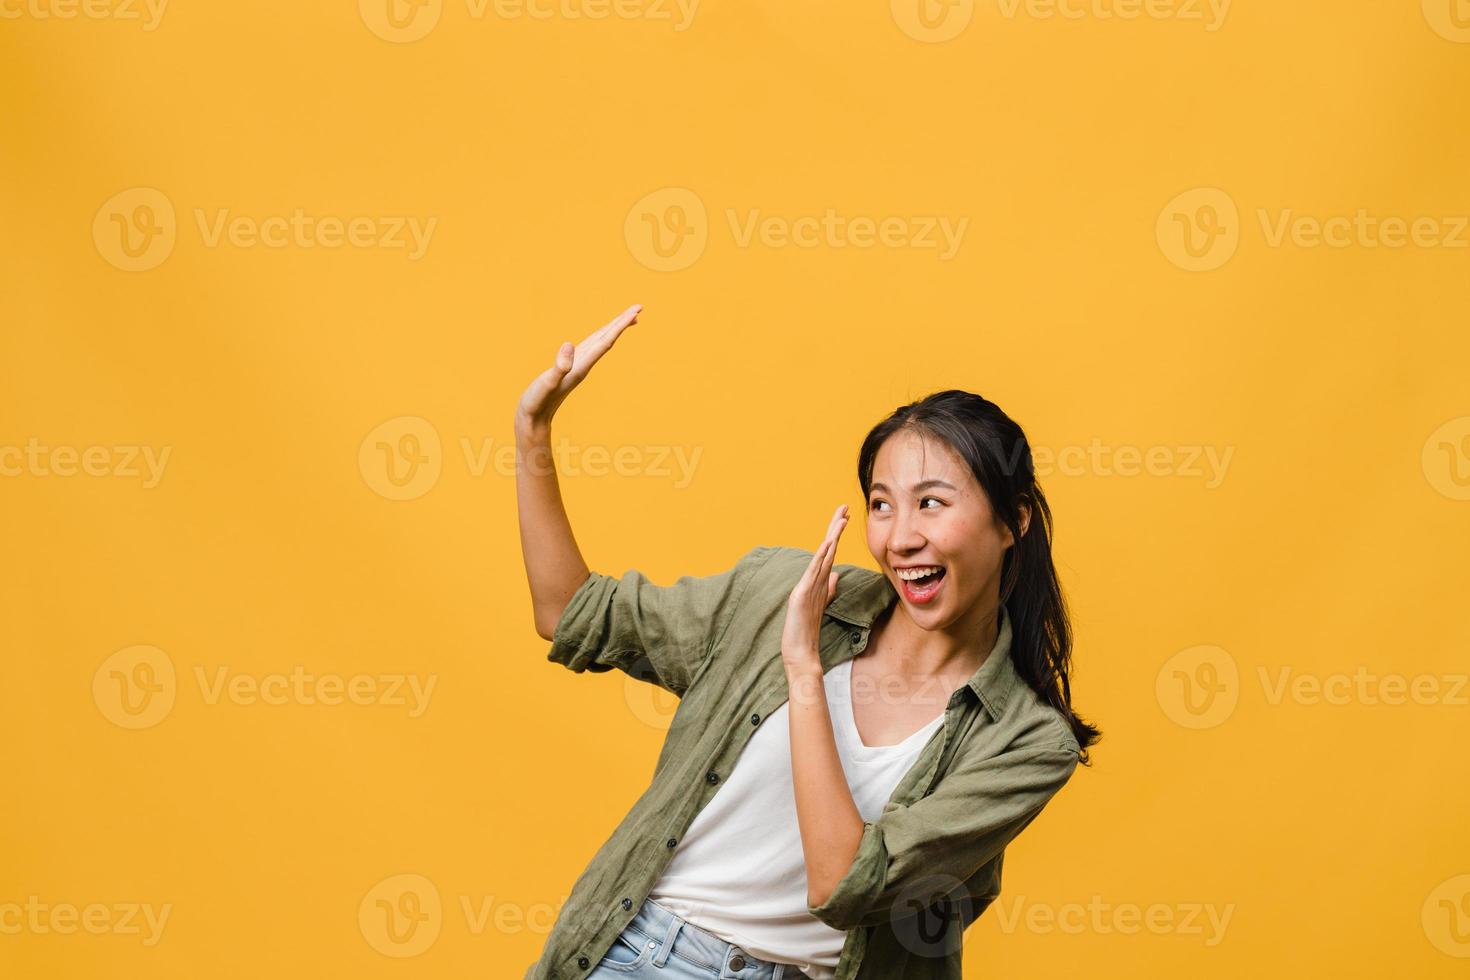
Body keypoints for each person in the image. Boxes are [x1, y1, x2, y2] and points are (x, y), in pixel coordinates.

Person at [517, 305, 1100, 980]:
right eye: (881, 504)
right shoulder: (782, 596)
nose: (900, 536)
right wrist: (533, 431)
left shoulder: (1026, 742)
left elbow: (842, 885)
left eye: (931, 503)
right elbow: (571, 614)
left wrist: (803, 673)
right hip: (645, 958)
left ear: (1013, 521)